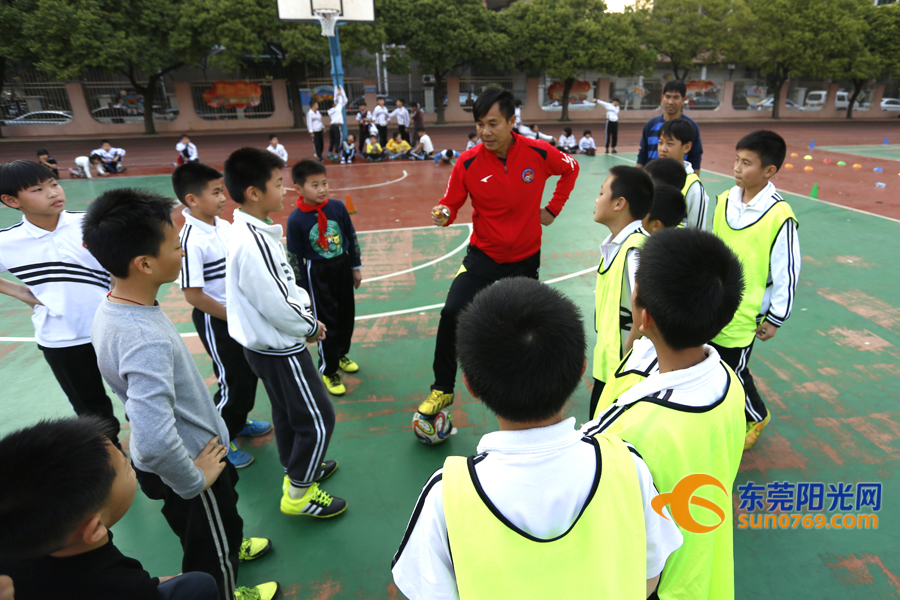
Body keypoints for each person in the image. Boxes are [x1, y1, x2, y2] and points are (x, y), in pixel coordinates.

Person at [392, 278, 683, 600]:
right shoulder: (627, 464)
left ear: (471, 386)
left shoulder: (446, 493)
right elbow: (649, 575)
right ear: (579, 370)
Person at [83, 188, 277, 600]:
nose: (184, 253)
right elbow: (152, 442)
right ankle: (226, 587)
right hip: (187, 463)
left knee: (214, 528)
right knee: (210, 553)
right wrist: (194, 480)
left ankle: (228, 540)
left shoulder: (117, 307)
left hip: (189, 454)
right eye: (176, 245)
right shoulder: (142, 337)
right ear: (145, 263)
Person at [583, 228, 746, 600]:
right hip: (704, 574)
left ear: (644, 313)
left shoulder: (630, 429)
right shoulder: (728, 383)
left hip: (658, 586)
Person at [420, 87, 579, 416]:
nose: (485, 132)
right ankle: (442, 388)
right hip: (484, 255)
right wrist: (443, 214)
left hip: (525, 256)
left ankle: (536, 385)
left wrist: (553, 208)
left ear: (511, 121)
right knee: (452, 312)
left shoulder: (538, 152)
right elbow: (450, 204)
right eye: (479, 124)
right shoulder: (467, 162)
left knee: (528, 326)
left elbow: (571, 168)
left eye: (493, 123)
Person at [222, 148, 346, 518]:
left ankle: (297, 470)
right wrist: (310, 325)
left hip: (264, 345)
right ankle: (299, 494)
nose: (284, 191)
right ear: (253, 192)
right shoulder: (254, 241)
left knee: (289, 412)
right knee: (319, 417)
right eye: (278, 184)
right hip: (279, 347)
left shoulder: (247, 229)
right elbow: (274, 302)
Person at [0, 416, 221, 600]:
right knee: (199, 585)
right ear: (94, 530)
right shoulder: (124, 587)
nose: (132, 468)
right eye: (126, 466)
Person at [0, 160, 119, 444]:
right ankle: (113, 463)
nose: (53, 193)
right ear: (10, 200)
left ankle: (153, 459)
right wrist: (22, 293)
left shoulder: (90, 223)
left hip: (114, 329)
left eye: (54, 183)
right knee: (91, 409)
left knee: (142, 397)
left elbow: (122, 262)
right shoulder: (8, 242)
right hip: (61, 339)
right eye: (38, 189)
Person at [173, 162, 273, 470]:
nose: (223, 198)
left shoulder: (224, 226)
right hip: (216, 320)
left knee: (249, 373)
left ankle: (238, 421)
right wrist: (232, 316)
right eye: (216, 192)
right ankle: (218, 439)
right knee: (233, 380)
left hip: (237, 316)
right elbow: (193, 294)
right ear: (192, 200)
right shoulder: (190, 240)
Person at [711, 130, 800, 450]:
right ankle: (720, 414)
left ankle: (756, 414)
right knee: (711, 363)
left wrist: (775, 318)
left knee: (733, 370)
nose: (736, 167)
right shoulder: (723, 201)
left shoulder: (780, 216)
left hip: (746, 313)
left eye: (746, 163)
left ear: (769, 171)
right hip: (714, 304)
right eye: (736, 159)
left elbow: (787, 271)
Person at [287, 159, 363, 396]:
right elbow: (294, 257)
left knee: (346, 315)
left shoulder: (338, 207)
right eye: (314, 185)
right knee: (326, 322)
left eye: (324, 183)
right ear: (298, 189)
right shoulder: (296, 219)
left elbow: (351, 236)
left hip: (341, 267)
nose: (322, 189)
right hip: (316, 273)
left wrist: (355, 267)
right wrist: (301, 290)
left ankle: (341, 354)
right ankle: (329, 370)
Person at [590, 165, 653, 418]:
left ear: (619, 204)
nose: (596, 199)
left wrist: (628, 354)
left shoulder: (635, 250)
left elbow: (644, 315)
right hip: (608, 365)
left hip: (622, 371)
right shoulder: (618, 246)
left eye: (601, 193)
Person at [637, 81, 703, 172]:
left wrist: (695, 182)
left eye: (676, 97)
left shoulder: (691, 127)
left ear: (683, 99)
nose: (670, 102)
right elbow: (643, 154)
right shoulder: (651, 124)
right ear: (662, 98)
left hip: (677, 180)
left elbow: (695, 157)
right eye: (667, 97)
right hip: (652, 178)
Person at [656, 118, 708, 229]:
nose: (662, 149)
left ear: (687, 147)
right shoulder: (654, 178)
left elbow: (696, 234)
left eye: (670, 144)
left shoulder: (694, 187)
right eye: (660, 143)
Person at [326, 85, 347, 161]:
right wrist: (339, 93)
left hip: (332, 126)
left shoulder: (329, 111)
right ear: (333, 105)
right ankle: (336, 154)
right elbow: (341, 101)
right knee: (338, 140)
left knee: (332, 140)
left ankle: (330, 152)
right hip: (337, 126)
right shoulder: (337, 109)